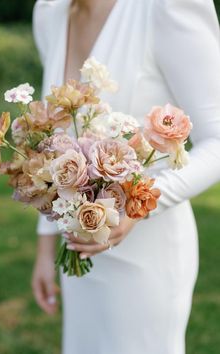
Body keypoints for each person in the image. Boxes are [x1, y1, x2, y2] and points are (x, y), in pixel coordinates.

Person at [32, 1, 220, 353]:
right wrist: (46, 248)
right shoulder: (50, 12)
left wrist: (139, 204)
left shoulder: (168, 7)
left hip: (148, 256)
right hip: (79, 252)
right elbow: (53, 139)